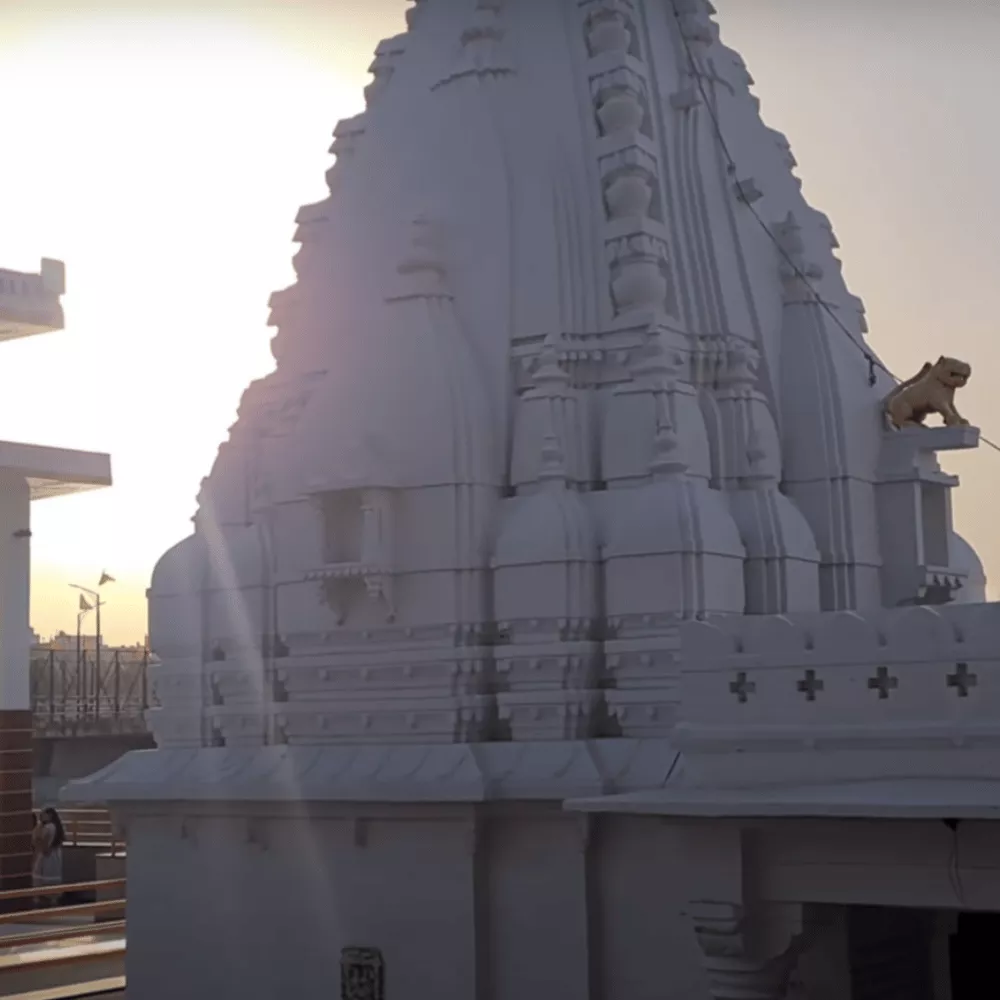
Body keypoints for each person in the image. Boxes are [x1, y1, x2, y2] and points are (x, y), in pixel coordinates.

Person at [33, 807, 65, 906]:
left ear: (49, 816)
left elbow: (42, 843)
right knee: (51, 880)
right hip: (54, 857)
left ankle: (43, 902)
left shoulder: (48, 828)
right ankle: (52, 901)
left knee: (43, 880)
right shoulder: (57, 827)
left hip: (46, 857)